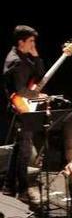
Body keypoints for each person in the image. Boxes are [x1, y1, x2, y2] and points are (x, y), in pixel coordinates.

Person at [3, 25, 46, 202]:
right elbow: (20, 90)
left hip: (22, 105)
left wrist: (36, 56)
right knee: (25, 150)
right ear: (21, 42)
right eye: (31, 41)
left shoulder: (24, 57)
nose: (33, 44)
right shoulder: (16, 61)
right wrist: (38, 95)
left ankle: (8, 186)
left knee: (20, 147)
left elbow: (40, 75)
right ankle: (22, 190)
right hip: (19, 108)